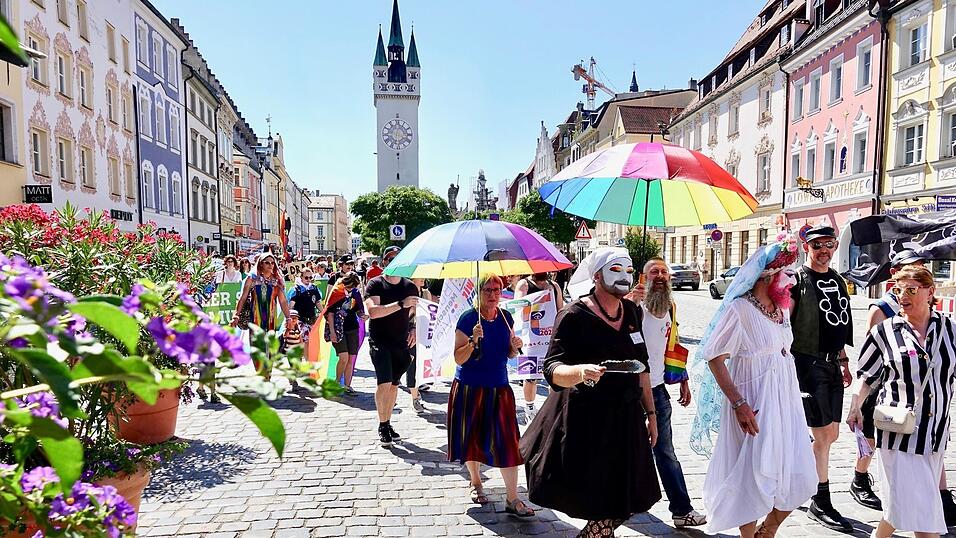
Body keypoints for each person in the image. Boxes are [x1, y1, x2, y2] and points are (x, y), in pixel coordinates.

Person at [520, 248, 660, 538]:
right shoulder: (573, 315)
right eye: (616, 270)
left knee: (633, 493)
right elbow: (552, 368)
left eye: (629, 271)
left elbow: (642, 367)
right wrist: (581, 372)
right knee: (602, 498)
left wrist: (651, 413)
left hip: (626, 418)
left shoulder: (633, 311)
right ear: (597, 276)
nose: (625, 277)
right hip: (587, 421)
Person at [691, 234, 817, 537]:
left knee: (802, 473)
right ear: (766, 276)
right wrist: (738, 403)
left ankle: (769, 527)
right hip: (752, 404)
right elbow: (714, 358)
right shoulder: (740, 311)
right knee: (749, 475)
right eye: (786, 275)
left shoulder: (782, 310)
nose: (790, 282)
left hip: (785, 402)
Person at [847, 265, 956, 538]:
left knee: (898, 509)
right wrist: (855, 405)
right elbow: (866, 376)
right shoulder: (884, 332)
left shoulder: (951, 330)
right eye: (898, 290)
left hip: (934, 434)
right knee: (924, 513)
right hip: (897, 433)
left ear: (930, 292)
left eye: (911, 289)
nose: (903, 296)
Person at [626, 258, 707, 529]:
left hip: (658, 389)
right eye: (654, 272)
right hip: (628, 392)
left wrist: (682, 377)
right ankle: (620, 503)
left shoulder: (670, 306)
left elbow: (672, 344)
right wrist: (629, 302)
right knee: (625, 450)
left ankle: (682, 510)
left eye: (664, 272)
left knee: (666, 451)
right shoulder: (631, 307)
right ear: (643, 277)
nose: (660, 275)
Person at [449, 273, 533, 517]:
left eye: (497, 290)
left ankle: (513, 498)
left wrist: (514, 347)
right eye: (487, 290)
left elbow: (508, 354)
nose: (493, 295)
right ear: (479, 292)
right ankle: (476, 482)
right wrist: (474, 341)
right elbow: (458, 357)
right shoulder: (468, 320)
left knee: (508, 443)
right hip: (469, 388)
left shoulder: (506, 317)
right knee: (471, 438)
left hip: (499, 388)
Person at [788, 225, 854, 532]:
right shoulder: (797, 281)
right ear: (807, 248)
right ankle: (820, 498)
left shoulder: (837, 280)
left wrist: (842, 360)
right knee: (823, 434)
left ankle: (807, 482)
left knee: (830, 435)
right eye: (817, 245)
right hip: (807, 364)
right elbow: (785, 324)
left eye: (829, 244)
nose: (824, 250)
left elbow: (837, 322)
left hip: (831, 365)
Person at [364, 246, 420, 447]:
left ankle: (388, 423)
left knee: (395, 383)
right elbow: (373, 312)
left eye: (397, 259)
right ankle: (382, 424)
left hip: (401, 341)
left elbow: (414, 312)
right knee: (384, 383)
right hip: (380, 340)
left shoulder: (410, 287)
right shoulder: (375, 284)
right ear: (384, 262)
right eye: (389, 259)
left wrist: (413, 329)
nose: (393, 262)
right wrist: (400, 304)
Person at [514, 272, 564, 422]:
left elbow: (560, 310)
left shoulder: (554, 287)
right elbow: (517, 310)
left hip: (549, 338)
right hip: (530, 339)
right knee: (530, 377)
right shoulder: (524, 285)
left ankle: (552, 408)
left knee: (553, 374)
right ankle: (530, 408)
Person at [231, 252, 293, 373]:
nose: (270, 265)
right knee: (257, 348)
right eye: (267, 262)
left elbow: (283, 301)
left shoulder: (277, 282)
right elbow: (243, 298)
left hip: (270, 320)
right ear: (260, 264)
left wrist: (288, 318)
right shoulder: (252, 279)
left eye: (272, 263)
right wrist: (236, 315)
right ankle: (261, 374)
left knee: (269, 349)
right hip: (255, 319)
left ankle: (268, 375)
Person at [324, 272, 365, 395]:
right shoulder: (337, 292)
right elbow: (329, 313)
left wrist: (363, 315)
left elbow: (358, 310)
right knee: (344, 357)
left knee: (351, 358)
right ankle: (337, 382)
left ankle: (347, 386)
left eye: (353, 287)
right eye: (349, 286)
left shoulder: (356, 294)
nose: (350, 289)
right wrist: (332, 332)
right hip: (338, 329)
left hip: (352, 328)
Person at [407, 278, 432, 414]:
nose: (423, 278)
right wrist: (413, 310)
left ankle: (417, 392)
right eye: (420, 275)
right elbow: (405, 315)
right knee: (411, 364)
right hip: (408, 332)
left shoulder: (426, 293)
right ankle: (414, 397)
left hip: (423, 333)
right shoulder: (406, 294)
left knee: (420, 364)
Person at [288, 269, 323, 344]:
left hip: (312, 319)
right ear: (301, 277)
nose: (308, 279)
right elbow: (291, 305)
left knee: (313, 342)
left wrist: (323, 313)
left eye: (310, 277)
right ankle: (304, 356)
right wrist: (289, 317)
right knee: (303, 342)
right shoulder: (297, 290)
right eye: (306, 277)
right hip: (301, 320)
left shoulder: (314, 288)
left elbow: (317, 303)